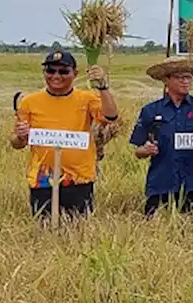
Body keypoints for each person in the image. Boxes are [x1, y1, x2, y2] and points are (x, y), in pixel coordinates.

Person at [11, 50, 119, 219]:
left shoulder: (87, 98)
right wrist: (20, 135)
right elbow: (17, 143)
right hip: (43, 178)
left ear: (74, 74)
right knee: (44, 229)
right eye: (50, 71)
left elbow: (111, 116)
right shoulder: (29, 102)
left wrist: (102, 87)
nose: (56, 76)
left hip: (78, 177)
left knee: (78, 231)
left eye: (63, 71)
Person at [130, 55, 193, 215]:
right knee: (155, 230)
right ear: (166, 80)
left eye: (189, 77)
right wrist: (146, 150)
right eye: (180, 77)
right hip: (161, 181)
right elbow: (138, 150)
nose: (186, 81)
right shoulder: (151, 110)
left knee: (191, 228)